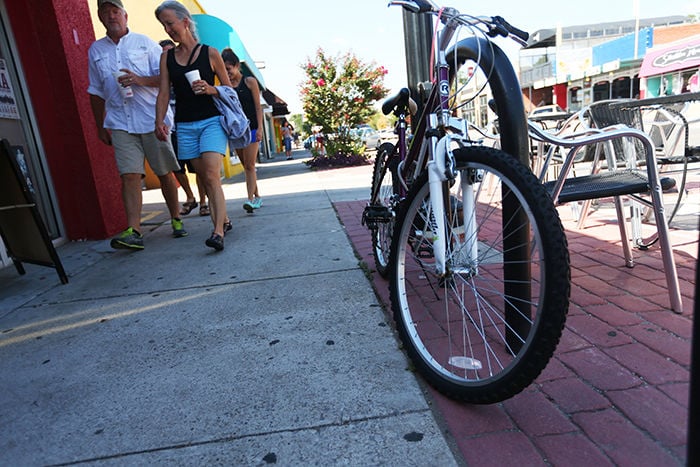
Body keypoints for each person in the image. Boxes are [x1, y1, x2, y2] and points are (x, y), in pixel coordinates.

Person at [88, 0, 187, 251]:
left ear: (125, 15)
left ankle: (176, 218)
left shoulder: (145, 43)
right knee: (129, 175)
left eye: (115, 11)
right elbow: (95, 91)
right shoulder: (96, 50)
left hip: (151, 118)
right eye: (105, 12)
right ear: (99, 17)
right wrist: (100, 127)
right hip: (120, 121)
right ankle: (134, 230)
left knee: (164, 172)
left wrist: (139, 79)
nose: (111, 16)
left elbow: (166, 80)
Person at [155, 1, 232, 251]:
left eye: (170, 23)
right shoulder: (167, 57)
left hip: (212, 120)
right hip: (185, 125)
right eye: (163, 25)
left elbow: (228, 90)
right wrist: (159, 121)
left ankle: (217, 232)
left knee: (211, 174)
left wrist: (211, 89)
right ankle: (225, 218)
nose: (167, 29)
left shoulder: (210, 53)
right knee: (205, 178)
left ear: (185, 21)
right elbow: (164, 92)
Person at [159, 39, 208, 217]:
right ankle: (190, 196)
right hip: (171, 127)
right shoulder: (161, 76)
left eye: (170, 51)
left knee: (199, 168)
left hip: (189, 121)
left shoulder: (185, 73)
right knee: (177, 167)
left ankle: (203, 202)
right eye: (164, 52)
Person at [221, 48, 263, 213]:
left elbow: (258, 108)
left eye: (229, 69)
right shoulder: (225, 86)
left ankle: (250, 200)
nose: (227, 73)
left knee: (250, 165)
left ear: (237, 65)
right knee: (246, 165)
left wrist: (260, 128)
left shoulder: (250, 82)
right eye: (223, 70)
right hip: (237, 131)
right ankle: (257, 196)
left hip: (252, 128)